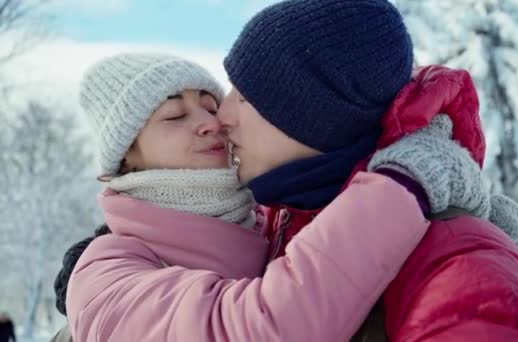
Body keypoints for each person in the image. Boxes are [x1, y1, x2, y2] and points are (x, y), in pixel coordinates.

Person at [60, 52, 478, 342]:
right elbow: (255, 330)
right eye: (174, 115)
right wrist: (398, 185)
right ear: (126, 159)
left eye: (210, 105)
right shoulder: (105, 272)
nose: (209, 123)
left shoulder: (274, 222)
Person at [217, 0, 518, 340]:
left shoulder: (463, 267)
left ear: (318, 117)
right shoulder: (270, 225)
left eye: (246, 98)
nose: (221, 117)